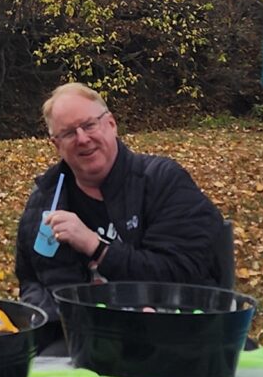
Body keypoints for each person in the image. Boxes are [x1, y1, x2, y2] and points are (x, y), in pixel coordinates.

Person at [14, 82, 227, 305]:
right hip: (74, 330)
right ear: (56, 145)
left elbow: (182, 271)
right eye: (68, 133)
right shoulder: (45, 198)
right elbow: (31, 280)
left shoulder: (162, 181)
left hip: (167, 325)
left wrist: (95, 247)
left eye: (89, 125)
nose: (82, 139)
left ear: (111, 124)